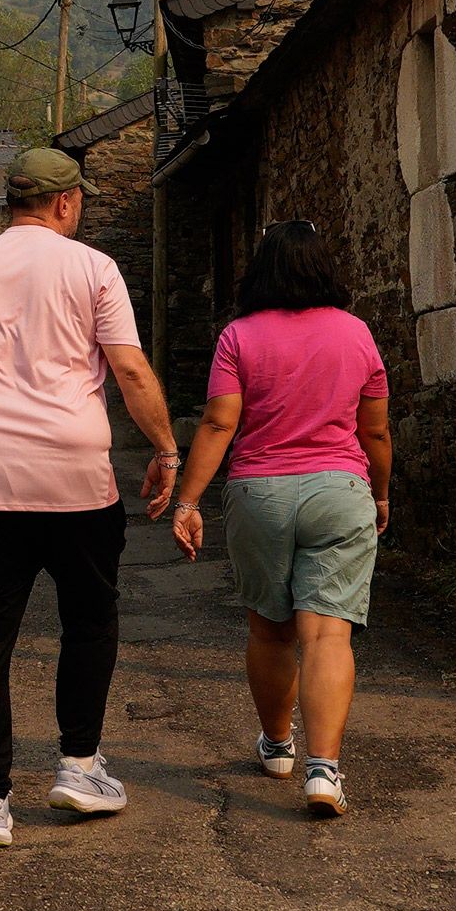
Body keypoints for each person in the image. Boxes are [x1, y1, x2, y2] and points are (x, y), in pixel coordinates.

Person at [0, 144, 179, 849]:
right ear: (65, 203)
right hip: (73, 474)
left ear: (12, 200)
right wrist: (165, 449)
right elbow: (129, 368)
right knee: (89, 619)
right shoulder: (94, 268)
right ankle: (78, 765)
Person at [165, 220, 390, 820]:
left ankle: (279, 747)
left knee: (270, 630)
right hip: (341, 490)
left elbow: (218, 424)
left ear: (261, 270)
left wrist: (187, 503)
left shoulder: (238, 336)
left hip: (259, 493)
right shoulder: (357, 335)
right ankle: (324, 771)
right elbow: (375, 431)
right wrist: (383, 494)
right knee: (327, 633)